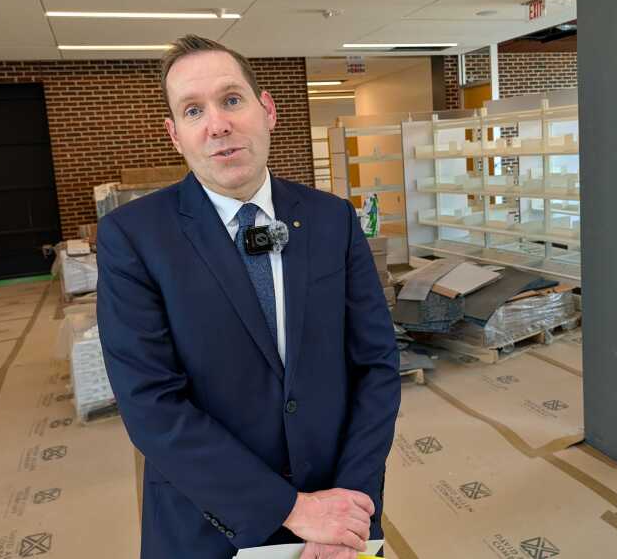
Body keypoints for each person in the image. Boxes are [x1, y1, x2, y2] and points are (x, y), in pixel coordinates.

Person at [96, 35, 401, 559]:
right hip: (209, 522)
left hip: (338, 514)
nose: (217, 124)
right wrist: (290, 509)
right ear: (175, 135)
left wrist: (351, 506)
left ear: (268, 111)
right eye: (193, 110)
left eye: (231, 99)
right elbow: (150, 403)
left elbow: (375, 365)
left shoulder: (332, 219)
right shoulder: (134, 237)